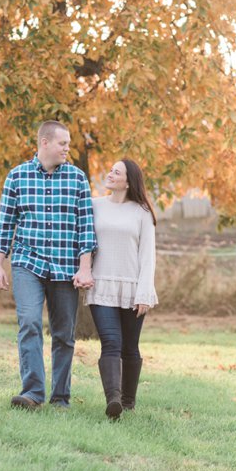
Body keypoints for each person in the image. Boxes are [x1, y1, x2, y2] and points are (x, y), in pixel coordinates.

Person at [0, 120, 97, 410]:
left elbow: (85, 228)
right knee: (29, 322)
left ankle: (60, 398)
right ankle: (32, 393)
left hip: (65, 267)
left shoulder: (77, 179)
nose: (67, 148)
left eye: (68, 144)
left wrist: (85, 266)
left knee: (64, 333)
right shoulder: (16, 177)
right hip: (27, 263)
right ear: (45, 143)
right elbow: (5, 224)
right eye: (63, 143)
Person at [85, 158, 157, 419]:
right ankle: (113, 400)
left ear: (129, 181)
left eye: (117, 172)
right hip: (101, 285)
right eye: (111, 169)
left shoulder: (142, 212)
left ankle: (128, 401)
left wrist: (144, 293)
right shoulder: (93, 206)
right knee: (111, 343)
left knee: (130, 347)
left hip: (132, 288)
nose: (110, 173)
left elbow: (147, 256)